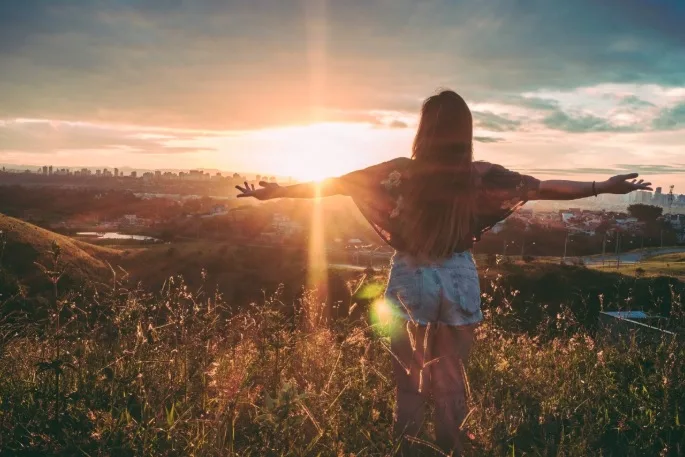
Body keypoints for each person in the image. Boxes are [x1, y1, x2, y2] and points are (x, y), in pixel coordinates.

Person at [236, 90, 652, 455]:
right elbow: (543, 186)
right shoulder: (480, 174)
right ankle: (451, 444)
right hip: (458, 276)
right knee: (452, 372)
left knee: (409, 376)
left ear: (424, 128)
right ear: (464, 130)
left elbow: (334, 184)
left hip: (410, 276)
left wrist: (275, 192)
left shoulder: (399, 171)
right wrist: (602, 185)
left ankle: (409, 448)